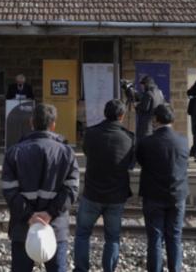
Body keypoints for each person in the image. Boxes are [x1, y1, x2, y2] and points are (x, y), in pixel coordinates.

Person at [2, 103, 80, 272]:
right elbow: (72, 189)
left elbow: (9, 190)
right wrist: (49, 213)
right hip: (55, 227)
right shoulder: (66, 153)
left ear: (31, 122)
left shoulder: (14, 152)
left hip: (23, 227)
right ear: (53, 124)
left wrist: (30, 215)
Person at [74, 99, 135, 272]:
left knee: (82, 234)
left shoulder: (91, 133)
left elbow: (86, 151)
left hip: (92, 193)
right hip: (116, 196)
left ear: (105, 113)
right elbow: (130, 163)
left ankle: (81, 269)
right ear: (122, 116)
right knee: (113, 237)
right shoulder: (129, 138)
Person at [136, 104, 189, 272]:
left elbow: (141, 161)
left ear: (155, 120)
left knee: (155, 239)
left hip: (153, 195)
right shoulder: (183, 141)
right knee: (175, 236)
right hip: (177, 195)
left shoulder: (146, 142)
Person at [134, 76, 164, 142]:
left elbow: (144, 108)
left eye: (142, 85)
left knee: (143, 145)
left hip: (146, 126)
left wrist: (136, 105)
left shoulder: (148, 94)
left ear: (146, 84)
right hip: (155, 125)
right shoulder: (159, 93)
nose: (141, 87)